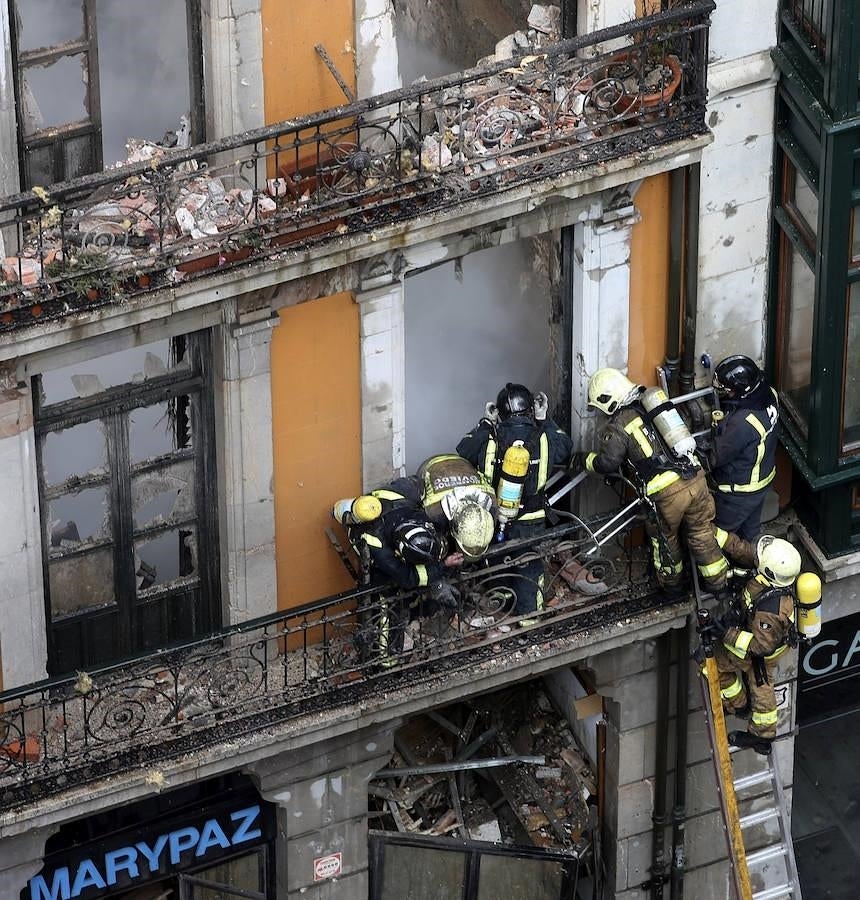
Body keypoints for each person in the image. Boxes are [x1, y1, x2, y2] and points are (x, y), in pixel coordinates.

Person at [583, 368, 729, 601]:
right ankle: (719, 585)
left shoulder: (619, 423)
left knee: (665, 543)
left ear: (608, 401)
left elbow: (607, 462)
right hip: (696, 477)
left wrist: (584, 460)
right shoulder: (651, 405)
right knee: (702, 532)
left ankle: (673, 589)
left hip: (667, 494)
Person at [457, 383, 573, 621]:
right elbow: (565, 447)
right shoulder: (543, 438)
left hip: (496, 516)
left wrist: (485, 421)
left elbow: (463, 451)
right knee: (529, 567)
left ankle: (503, 610)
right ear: (530, 409)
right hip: (532, 519)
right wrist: (544, 419)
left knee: (499, 561)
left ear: (500, 412)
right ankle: (529, 621)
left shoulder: (491, 435)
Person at [332, 485, 460, 667]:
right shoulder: (379, 547)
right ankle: (385, 660)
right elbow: (408, 578)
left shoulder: (419, 519)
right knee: (386, 605)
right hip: (373, 555)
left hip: (385, 510)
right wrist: (442, 567)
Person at [703, 535, 802, 754]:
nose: (757, 557)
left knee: (714, 668)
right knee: (759, 684)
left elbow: (760, 647)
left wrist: (726, 633)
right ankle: (748, 713)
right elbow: (745, 551)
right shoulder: (771, 576)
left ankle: (753, 726)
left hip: (760, 652)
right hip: (757, 636)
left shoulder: (770, 610)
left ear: (767, 570)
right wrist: (713, 532)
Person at [709, 355, 779, 541]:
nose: (726, 394)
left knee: (717, 538)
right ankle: (752, 567)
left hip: (739, 491)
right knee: (750, 533)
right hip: (761, 481)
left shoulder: (743, 423)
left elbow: (716, 457)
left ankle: (720, 569)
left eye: (729, 391)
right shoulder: (770, 394)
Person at [395, 453, 498, 563]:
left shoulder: (491, 506)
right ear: (454, 529)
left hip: (462, 463)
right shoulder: (434, 513)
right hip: (431, 466)